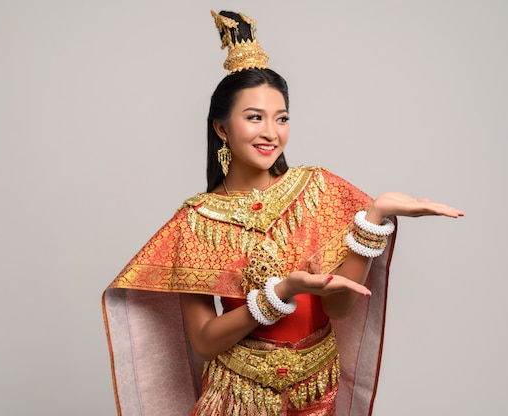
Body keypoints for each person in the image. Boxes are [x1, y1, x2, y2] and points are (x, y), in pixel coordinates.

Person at [102, 10, 463, 416]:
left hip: (316, 392)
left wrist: (374, 216)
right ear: (222, 128)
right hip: (238, 398)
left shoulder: (318, 189)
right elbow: (204, 340)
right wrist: (278, 295)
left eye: (282, 118)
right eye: (254, 118)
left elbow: (339, 308)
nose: (271, 132)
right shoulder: (197, 222)